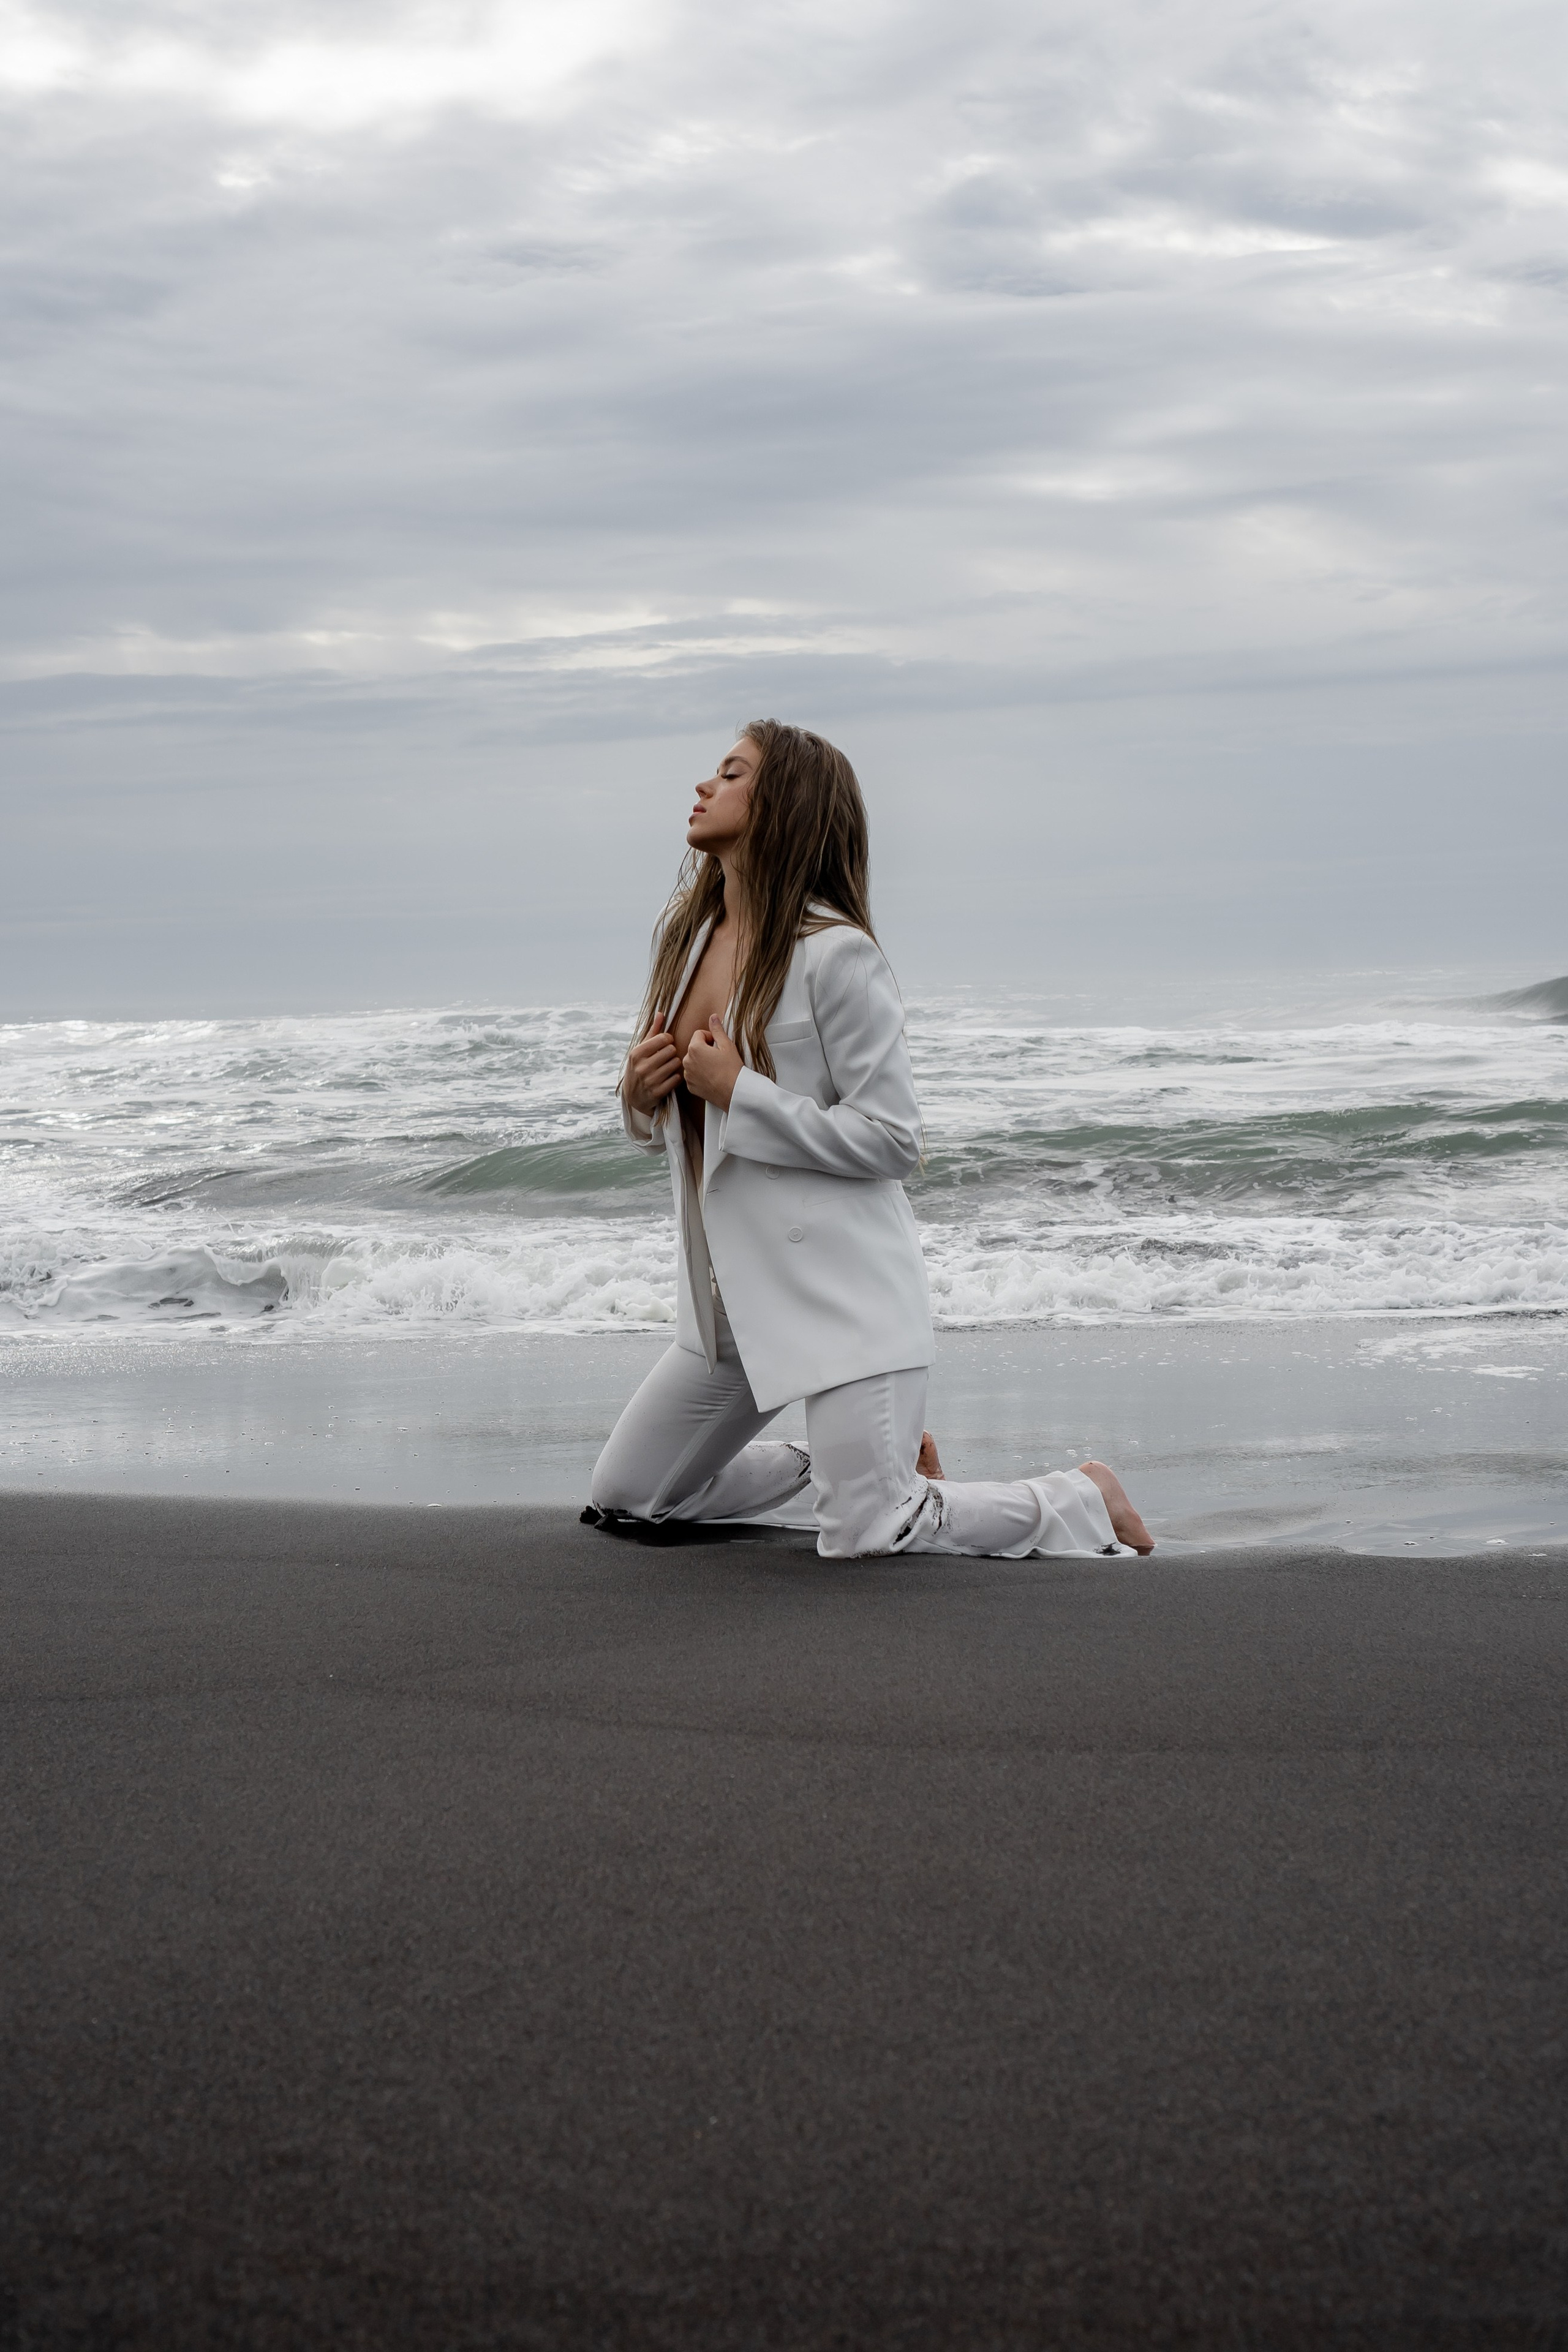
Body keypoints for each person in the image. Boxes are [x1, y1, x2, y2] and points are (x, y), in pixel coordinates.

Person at [589, 720, 1154, 1561]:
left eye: (732, 774)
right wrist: (641, 1099)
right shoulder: (687, 943)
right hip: (734, 1306)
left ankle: (1080, 1496)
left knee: (867, 1534)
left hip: (845, 1296)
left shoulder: (836, 956)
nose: (704, 787)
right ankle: (852, 1460)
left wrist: (740, 1090)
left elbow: (891, 1138)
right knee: (628, 1498)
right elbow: (690, 1128)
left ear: (780, 806)